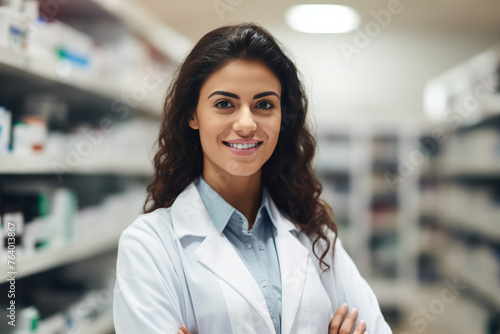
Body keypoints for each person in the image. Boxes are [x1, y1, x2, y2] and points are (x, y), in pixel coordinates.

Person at [112, 23, 393, 334]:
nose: (246, 124)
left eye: (264, 105)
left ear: (282, 117)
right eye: (224, 104)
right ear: (193, 114)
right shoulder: (149, 246)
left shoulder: (313, 233)